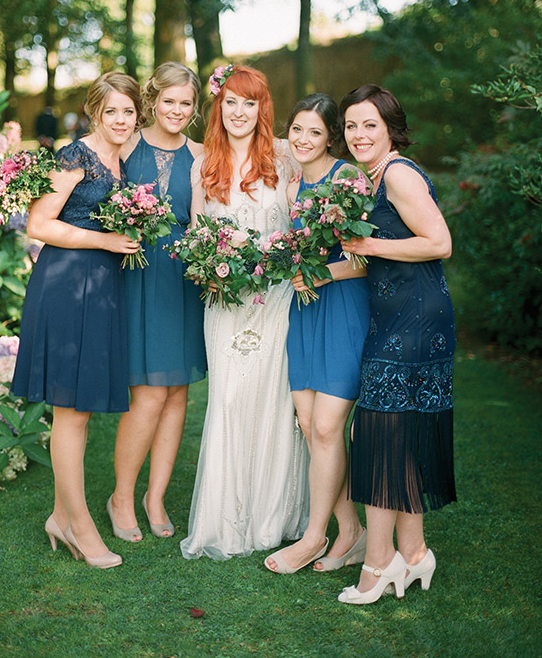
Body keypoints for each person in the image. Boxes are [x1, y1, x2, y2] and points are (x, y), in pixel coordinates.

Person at [11, 72, 143, 569]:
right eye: (111, 111)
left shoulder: (121, 158)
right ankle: (77, 523)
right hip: (68, 284)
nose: (121, 120)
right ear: (95, 112)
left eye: (128, 112)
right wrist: (106, 241)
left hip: (102, 286)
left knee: (80, 409)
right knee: (71, 409)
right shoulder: (75, 157)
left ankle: (58, 515)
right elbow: (39, 224)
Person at [180, 64, 309, 561]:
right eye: (230, 102)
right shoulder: (204, 165)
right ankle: (226, 520)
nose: (239, 112)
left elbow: (308, 216)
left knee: (275, 399)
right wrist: (209, 269)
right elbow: (196, 237)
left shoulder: (283, 157)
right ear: (219, 106)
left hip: (277, 299)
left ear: (262, 108)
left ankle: (275, 517)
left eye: (248, 103)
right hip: (226, 302)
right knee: (230, 399)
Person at [336, 83, 456, 605]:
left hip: (415, 320)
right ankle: (414, 553)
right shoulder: (370, 177)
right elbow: (374, 257)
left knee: (378, 436)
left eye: (369, 125)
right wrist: (324, 273)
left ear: (389, 128)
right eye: (351, 125)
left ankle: (378, 563)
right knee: (391, 435)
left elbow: (439, 243)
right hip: (393, 316)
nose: (359, 135)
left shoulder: (400, 174)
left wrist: (367, 243)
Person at [264, 94, 370, 574]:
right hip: (304, 310)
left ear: (332, 138)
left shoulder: (345, 179)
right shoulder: (291, 185)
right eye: (297, 130)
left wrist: (324, 274)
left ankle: (313, 536)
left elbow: (370, 255)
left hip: (344, 307)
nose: (304, 140)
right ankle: (352, 532)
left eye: (315, 132)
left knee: (328, 427)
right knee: (311, 427)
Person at [108, 62, 207, 542]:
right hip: (136, 275)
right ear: (153, 100)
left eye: (186, 102)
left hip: (184, 279)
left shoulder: (203, 155)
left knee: (177, 393)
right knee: (147, 393)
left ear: (194, 108)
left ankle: (155, 496)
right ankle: (121, 496)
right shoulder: (126, 145)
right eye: (169, 100)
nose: (177, 110)